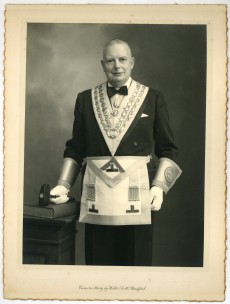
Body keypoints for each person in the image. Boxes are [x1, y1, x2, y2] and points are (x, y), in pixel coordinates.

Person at [50, 39, 182, 266]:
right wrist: (64, 184)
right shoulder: (84, 99)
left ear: (132, 63)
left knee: (136, 267)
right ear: (102, 65)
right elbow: (76, 149)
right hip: (97, 197)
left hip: (138, 197)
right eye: (110, 60)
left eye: (122, 60)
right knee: (97, 266)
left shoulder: (153, 98)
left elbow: (168, 150)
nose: (117, 66)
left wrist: (159, 187)